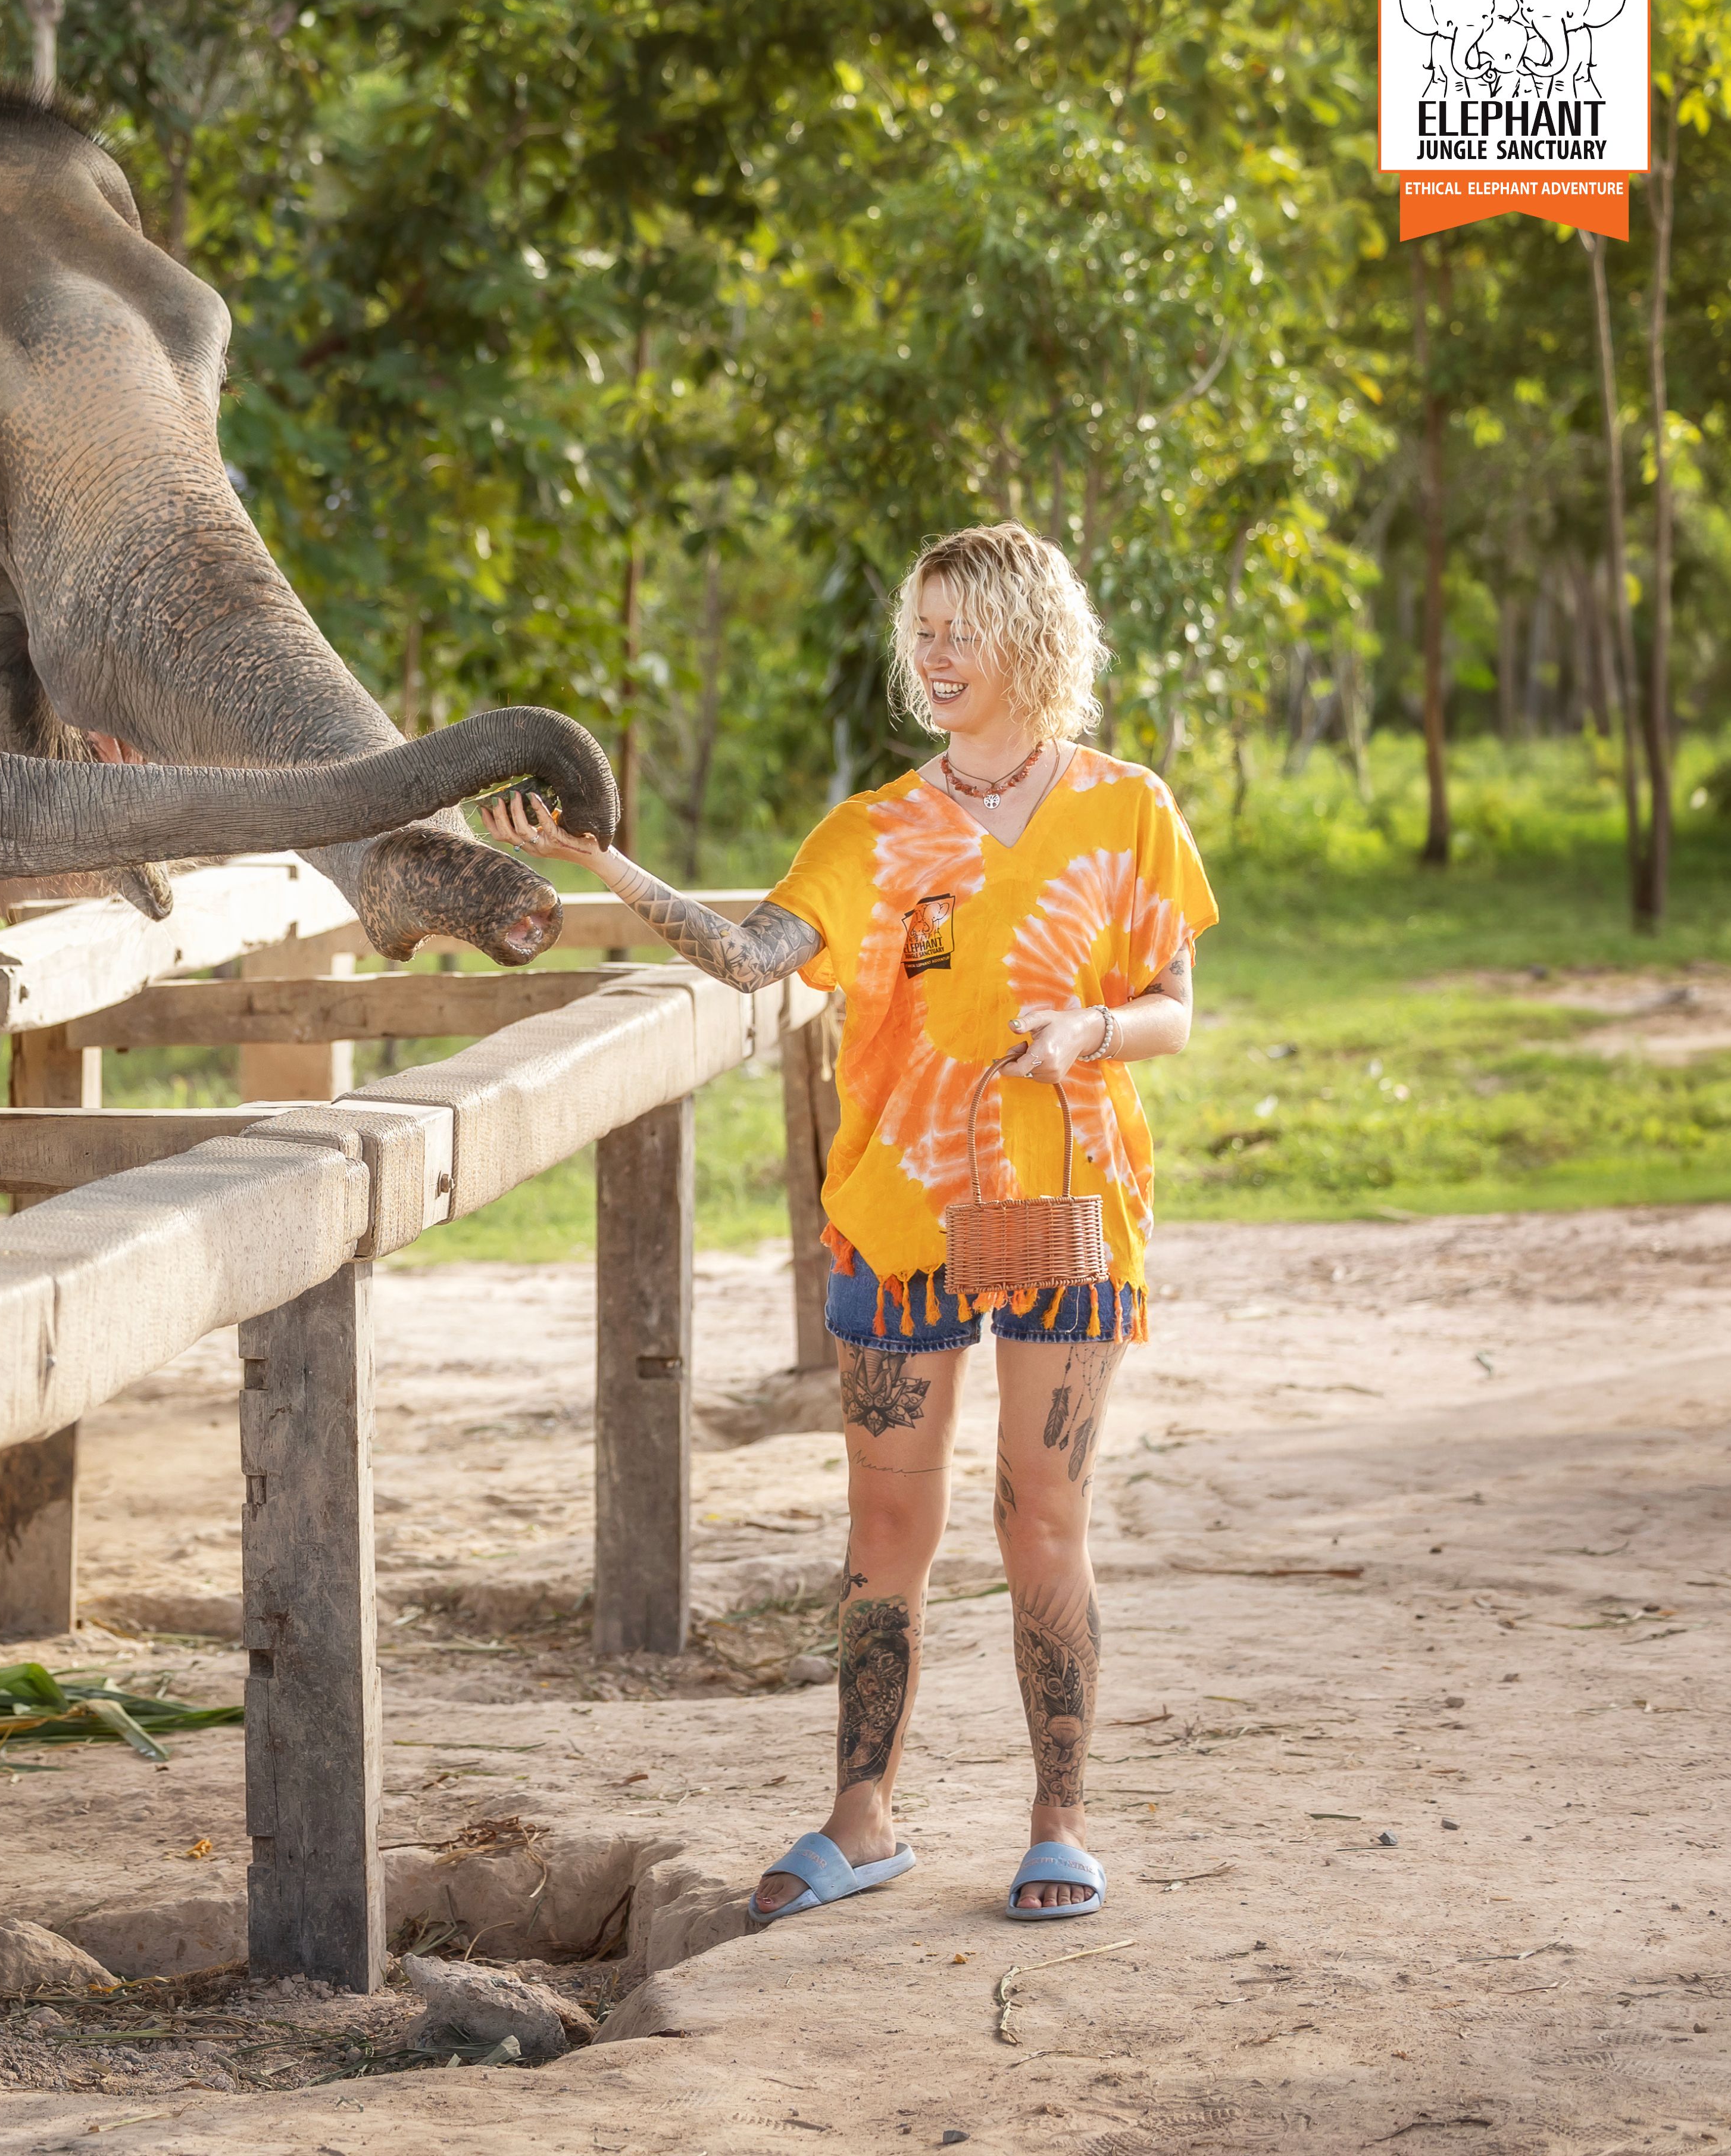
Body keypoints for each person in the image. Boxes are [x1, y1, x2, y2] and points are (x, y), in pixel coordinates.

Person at [485, 522, 1215, 1926]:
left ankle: (1059, 1818)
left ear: (1032, 639)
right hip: (896, 1214)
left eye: (961, 628)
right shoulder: (872, 833)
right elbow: (754, 954)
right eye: (920, 630)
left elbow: (1176, 1007)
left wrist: (1093, 1028)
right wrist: (613, 866)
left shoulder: (1128, 810)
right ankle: (861, 1814)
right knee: (889, 1516)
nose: (931, 656)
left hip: (1072, 1210)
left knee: (1038, 1513)